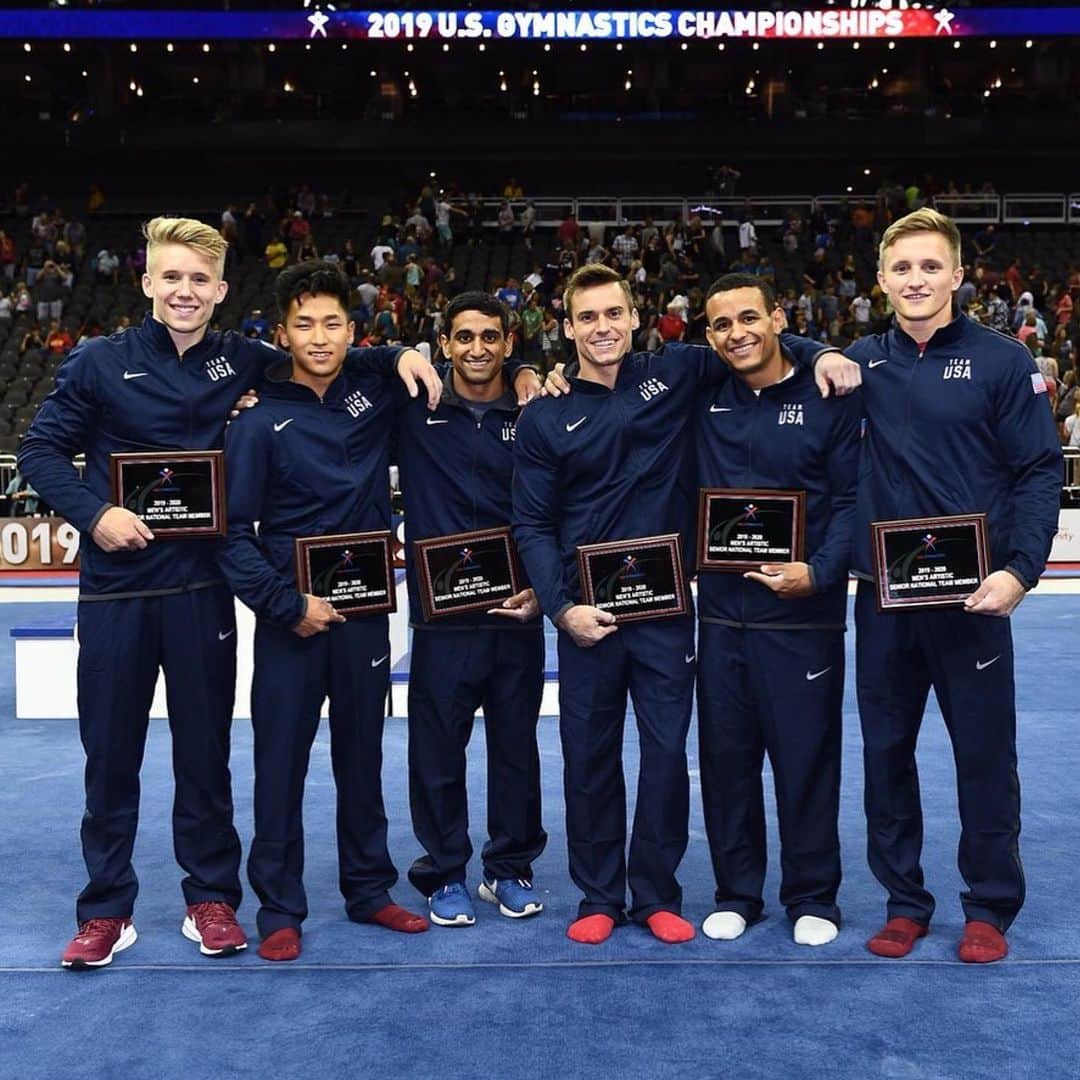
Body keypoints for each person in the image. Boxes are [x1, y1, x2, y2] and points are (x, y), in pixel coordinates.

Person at [18, 218, 440, 970]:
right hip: (116, 591)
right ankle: (106, 908)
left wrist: (404, 350)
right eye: (171, 277)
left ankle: (209, 897)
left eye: (199, 280)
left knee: (205, 756)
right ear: (148, 282)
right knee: (109, 756)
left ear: (219, 290)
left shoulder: (246, 361)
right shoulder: (96, 362)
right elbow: (40, 450)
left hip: (204, 589)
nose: (185, 291)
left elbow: (330, 351)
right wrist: (95, 514)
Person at [513, 264, 825, 946]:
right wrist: (561, 610)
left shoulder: (678, 372)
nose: (603, 328)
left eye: (614, 314)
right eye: (587, 318)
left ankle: (656, 892)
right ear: (568, 329)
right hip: (585, 618)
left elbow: (760, 342)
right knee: (588, 756)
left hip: (666, 614)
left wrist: (823, 350)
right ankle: (598, 893)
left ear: (636, 317)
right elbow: (532, 524)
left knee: (663, 757)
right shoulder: (544, 413)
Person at [815, 208, 1062, 963]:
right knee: (885, 753)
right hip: (885, 599)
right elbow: (760, 361)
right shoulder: (859, 360)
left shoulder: (1000, 361)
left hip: (973, 598)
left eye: (930, 267)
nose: (916, 280)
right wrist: (816, 349)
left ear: (958, 274)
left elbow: (1038, 472)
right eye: (901, 268)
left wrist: (1021, 571)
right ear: (880, 279)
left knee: (984, 754)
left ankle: (988, 905)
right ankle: (904, 901)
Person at [219, 261, 429, 961]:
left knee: (362, 758)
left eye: (332, 322)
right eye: (304, 323)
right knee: (279, 765)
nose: (319, 336)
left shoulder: (377, 393)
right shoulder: (256, 422)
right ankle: (279, 906)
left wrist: (519, 376)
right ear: (282, 332)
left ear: (353, 330)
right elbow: (231, 536)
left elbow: (445, 378)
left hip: (365, 617)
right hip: (291, 620)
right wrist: (286, 605)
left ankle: (369, 889)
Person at [693, 274, 862, 948]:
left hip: (804, 617)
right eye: (721, 324)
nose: (736, 333)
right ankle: (738, 891)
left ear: (779, 319)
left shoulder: (829, 395)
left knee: (807, 761)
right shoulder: (701, 392)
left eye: (749, 319)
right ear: (706, 337)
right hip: (721, 618)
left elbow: (852, 501)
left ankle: (813, 895)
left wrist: (818, 573)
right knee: (726, 762)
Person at [398, 291, 547, 928]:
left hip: (518, 610)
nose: (478, 348)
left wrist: (548, 585)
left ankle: (509, 867)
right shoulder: (413, 407)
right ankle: (444, 872)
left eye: (491, 336)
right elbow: (349, 362)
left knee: (516, 748)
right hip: (444, 618)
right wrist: (401, 352)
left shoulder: (540, 410)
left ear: (510, 343)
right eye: (464, 337)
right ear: (445, 344)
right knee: (438, 750)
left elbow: (561, 505)